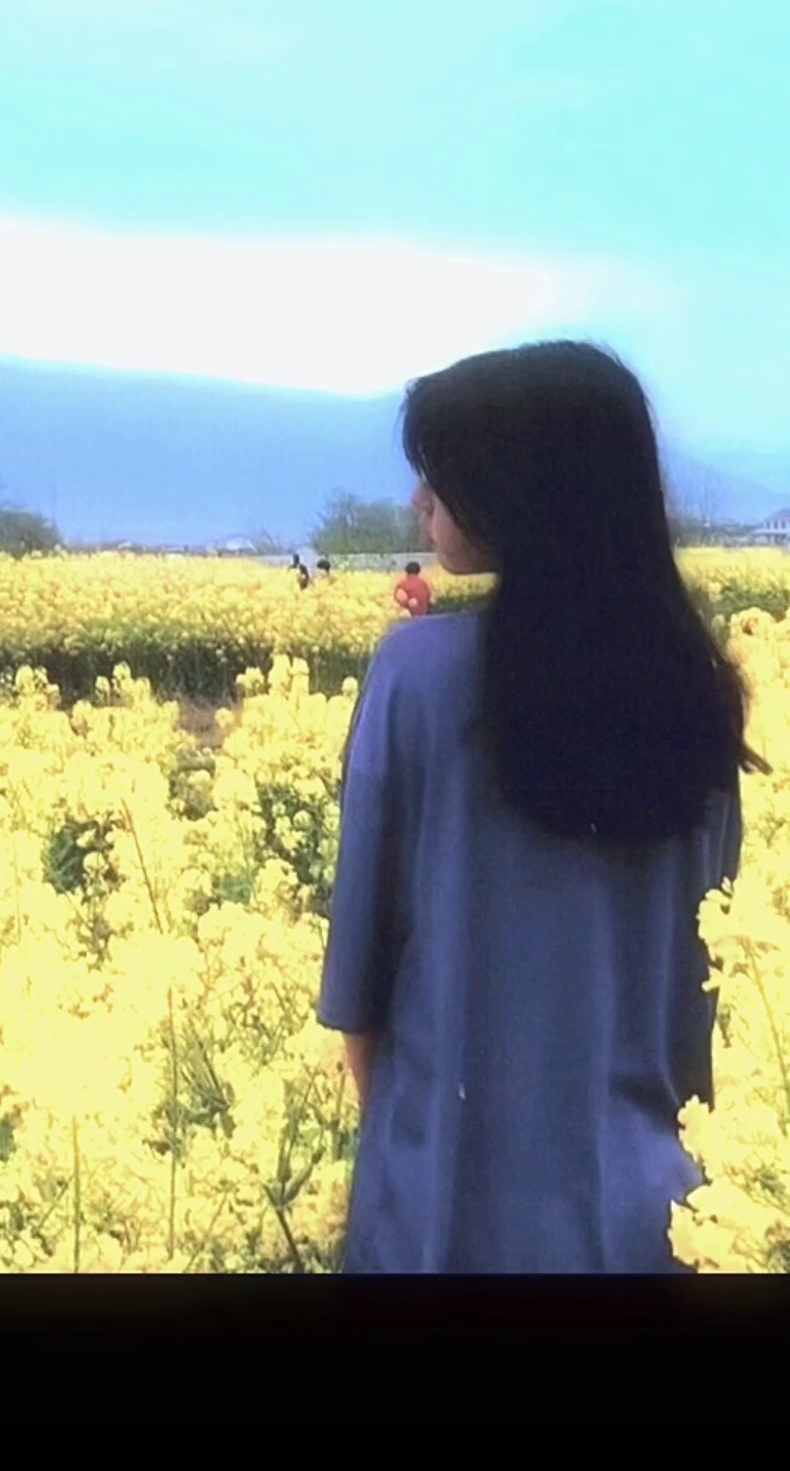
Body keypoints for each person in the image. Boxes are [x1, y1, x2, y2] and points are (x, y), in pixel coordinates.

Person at [318, 339, 766, 1273]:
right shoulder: (699, 696)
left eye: (442, 471)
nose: (419, 499)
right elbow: (703, 985)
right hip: (653, 1217)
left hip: (440, 1212)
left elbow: (359, 984)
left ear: (522, 490)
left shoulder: (417, 676)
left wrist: (409, 1165)